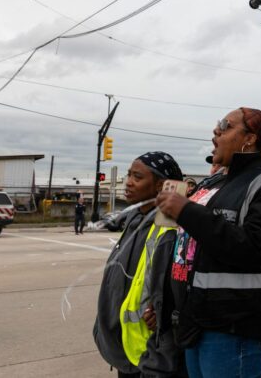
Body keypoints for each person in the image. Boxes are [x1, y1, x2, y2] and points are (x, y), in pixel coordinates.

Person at [156, 108, 261, 378]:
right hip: (194, 321)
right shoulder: (214, 183)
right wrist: (162, 304)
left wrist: (187, 210)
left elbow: (251, 247)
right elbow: (185, 251)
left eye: (225, 126)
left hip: (234, 327)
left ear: (249, 139)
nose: (215, 132)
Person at [93, 151, 185, 378]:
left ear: (160, 185)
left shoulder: (170, 227)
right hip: (124, 349)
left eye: (137, 177)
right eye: (128, 175)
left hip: (147, 353)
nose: (128, 182)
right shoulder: (136, 218)